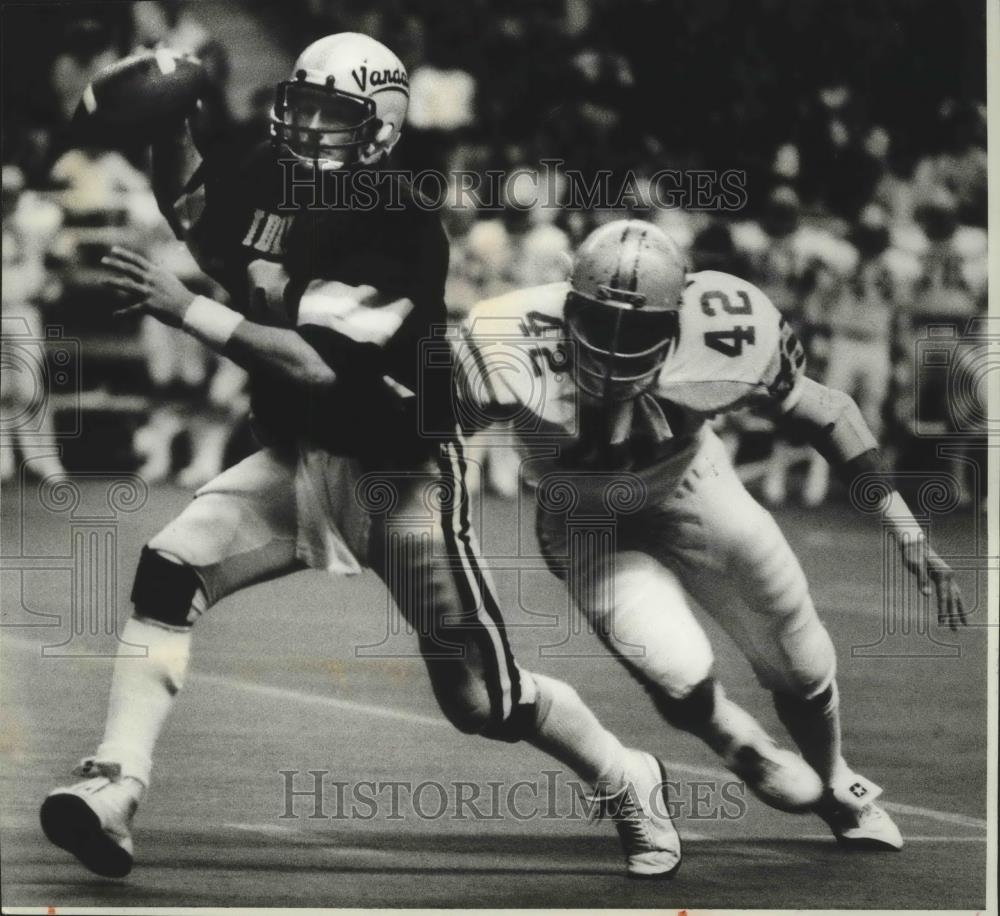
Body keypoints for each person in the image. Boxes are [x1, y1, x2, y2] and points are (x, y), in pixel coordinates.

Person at [40, 36, 686, 881]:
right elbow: (198, 214)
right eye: (298, 104)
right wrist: (169, 129)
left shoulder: (397, 217)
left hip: (397, 478)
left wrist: (187, 311)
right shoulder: (273, 176)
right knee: (171, 566)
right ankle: (117, 786)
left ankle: (624, 775)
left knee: (482, 701)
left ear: (379, 129)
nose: (303, 126)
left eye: (327, 113)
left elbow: (317, 360)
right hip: (302, 456)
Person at [456, 219, 966, 850]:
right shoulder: (504, 336)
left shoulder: (724, 333)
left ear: (678, 320)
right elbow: (430, 436)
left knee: (798, 651)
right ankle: (732, 737)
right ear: (567, 302)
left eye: (637, 329)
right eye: (599, 319)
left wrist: (906, 530)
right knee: (674, 666)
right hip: (585, 519)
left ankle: (838, 784)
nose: (615, 346)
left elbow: (828, 412)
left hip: (691, 485)